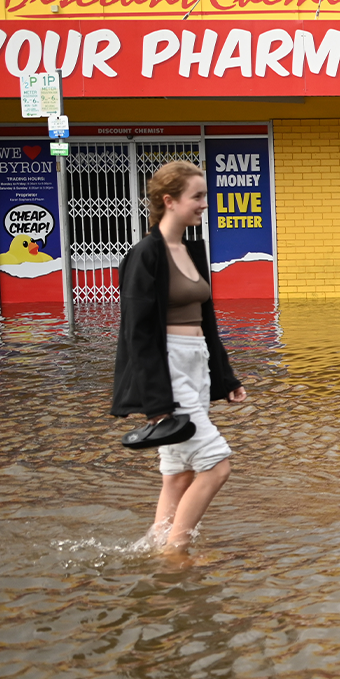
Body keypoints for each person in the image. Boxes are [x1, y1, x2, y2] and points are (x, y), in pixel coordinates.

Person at [110, 161, 246, 552]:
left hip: (196, 362)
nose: (205, 204)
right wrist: (157, 407)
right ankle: (175, 552)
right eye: (197, 196)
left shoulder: (191, 249)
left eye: (205, 195)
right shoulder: (145, 254)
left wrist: (226, 378)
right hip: (167, 367)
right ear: (169, 201)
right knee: (216, 465)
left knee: (178, 475)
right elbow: (137, 335)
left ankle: (153, 548)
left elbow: (208, 321)